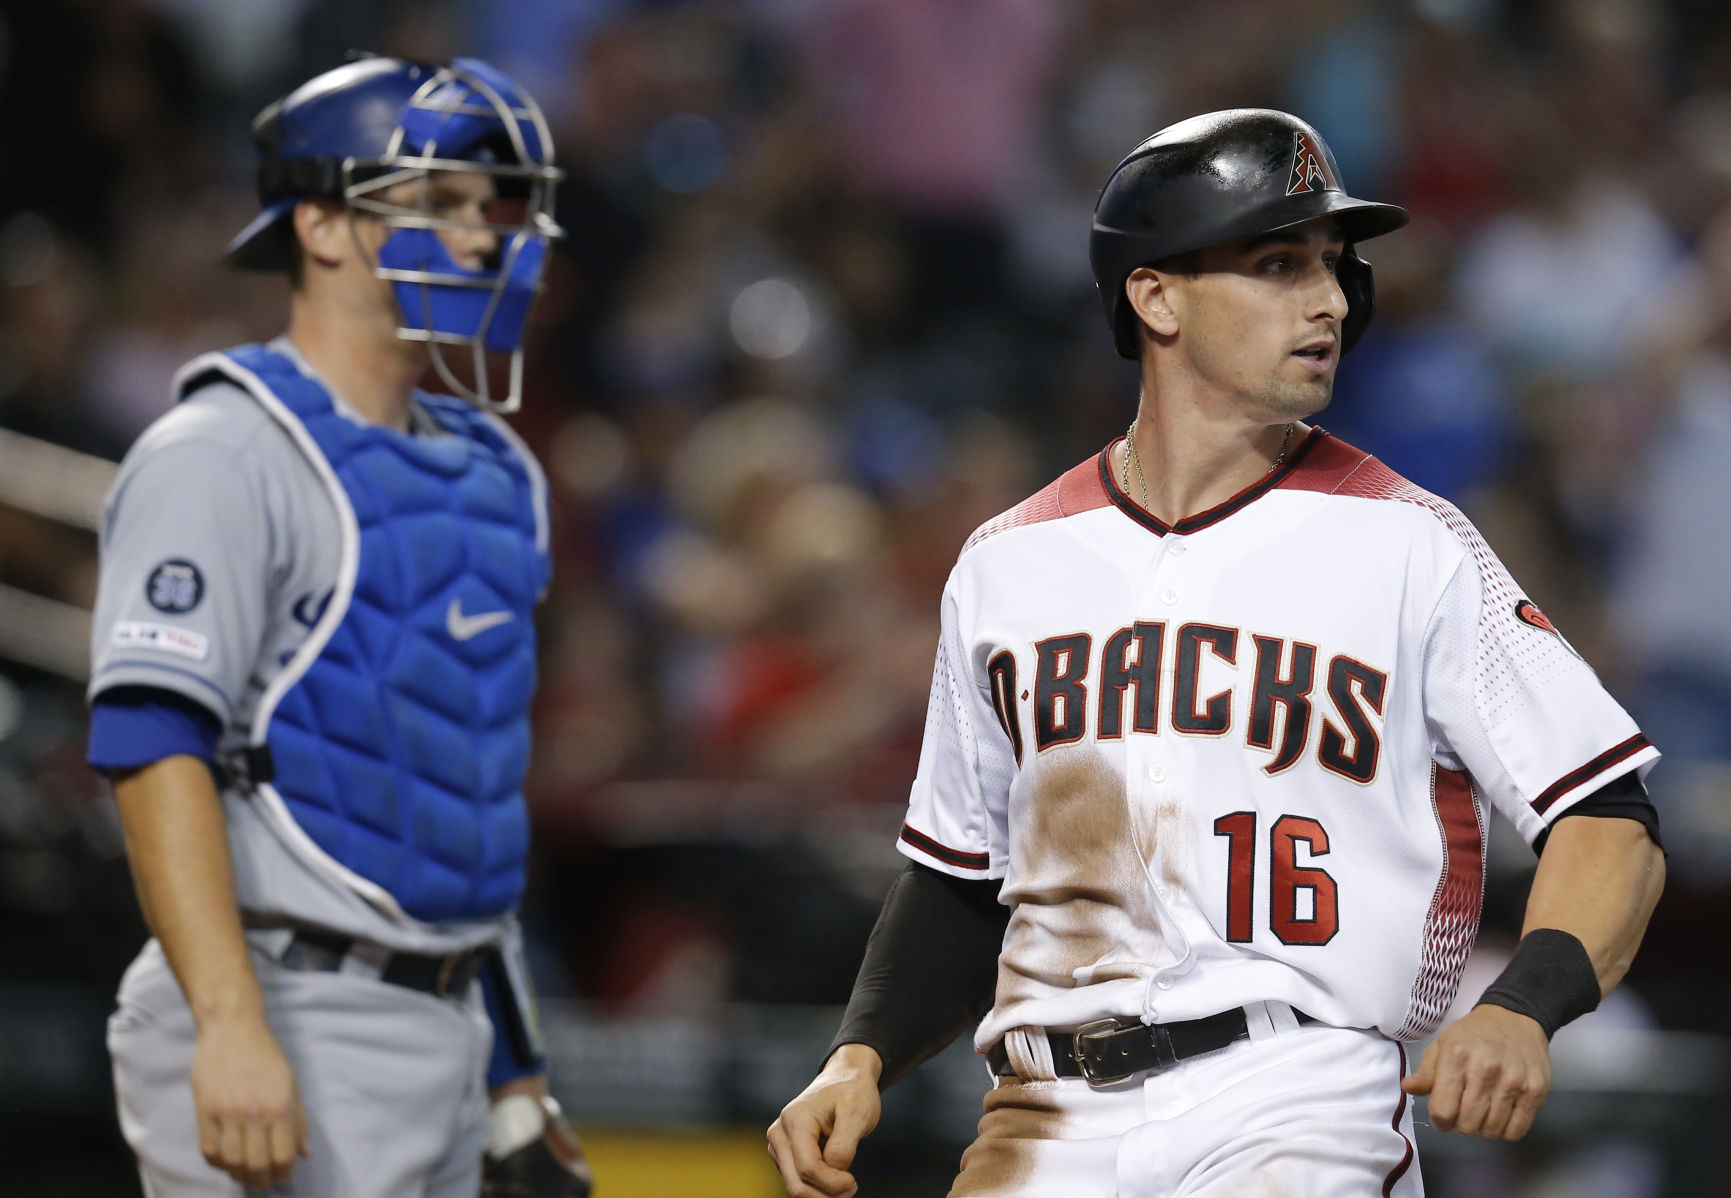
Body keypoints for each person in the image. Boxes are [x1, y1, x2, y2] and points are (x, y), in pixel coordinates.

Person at [766, 109, 1667, 1198]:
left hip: (1297, 1091)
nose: (1329, 298)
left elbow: (1608, 812)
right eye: (1279, 264)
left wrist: (1525, 1003)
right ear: (1155, 296)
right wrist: (857, 1056)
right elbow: (959, 877)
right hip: (1044, 1114)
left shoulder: (1411, 542)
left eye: (1332, 265)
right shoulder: (1010, 564)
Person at [87, 55, 591, 1196]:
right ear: (320, 225)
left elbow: (463, 784)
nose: (482, 238)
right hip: (280, 999)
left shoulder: (493, 473)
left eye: (491, 209)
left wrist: (515, 1081)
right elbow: (148, 739)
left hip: (455, 1018)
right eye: (438, 204)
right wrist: (228, 1023)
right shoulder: (223, 448)